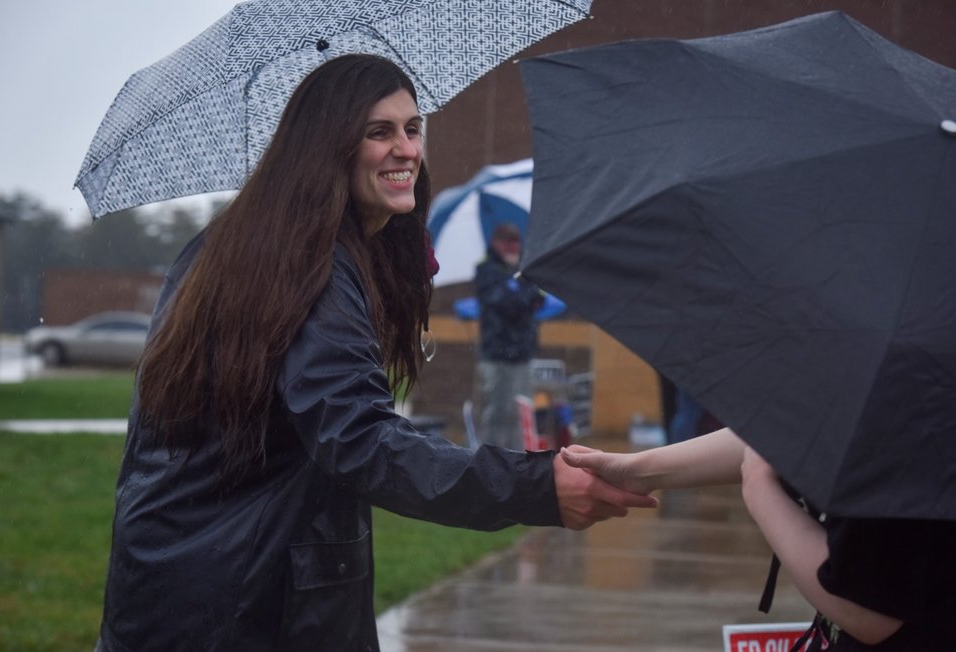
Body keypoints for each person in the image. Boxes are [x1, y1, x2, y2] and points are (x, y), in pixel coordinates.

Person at [94, 54, 657, 652]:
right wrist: (533, 485)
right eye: (378, 132)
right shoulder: (308, 268)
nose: (407, 150)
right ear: (327, 146)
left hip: (174, 588)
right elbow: (361, 440)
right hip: (243, 607)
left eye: (413, 129)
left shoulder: (234, 246)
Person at [561, 430, 956, 650]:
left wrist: (759, 488)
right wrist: (639, 470)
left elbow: (868, 612)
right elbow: (794, 425)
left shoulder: (908, 423)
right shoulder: (887, 382)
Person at [474, 222, 544, 449]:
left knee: (520, 414)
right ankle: (489, 460)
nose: (513, 246)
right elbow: (509, 303)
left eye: (515, 241)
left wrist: (521, 289)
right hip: (496, 357)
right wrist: (523, 292)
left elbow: (536, 297)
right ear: (496, 243)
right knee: (496, 414)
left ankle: (517, 462)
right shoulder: (486, 270)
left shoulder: (524, 271)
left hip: (522, 356)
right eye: (507, 241)